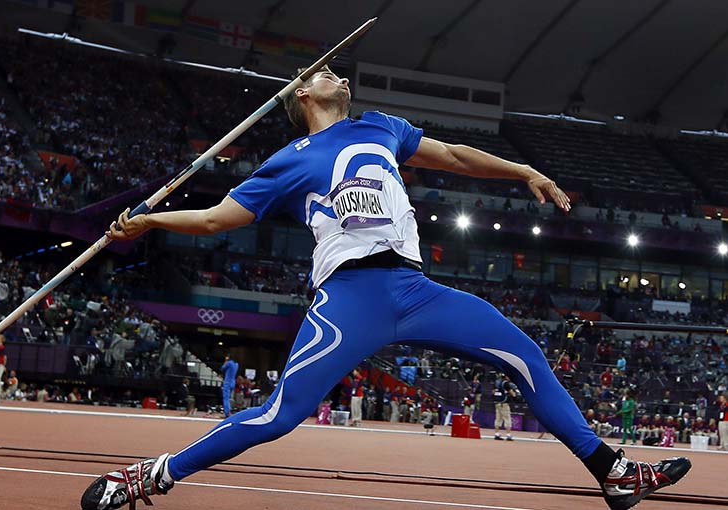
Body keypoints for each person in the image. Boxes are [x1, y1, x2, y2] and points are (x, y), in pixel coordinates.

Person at [83, 66, 690, 510]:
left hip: (417, 289)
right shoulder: (290, 159)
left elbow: (451, 154)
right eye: (320, 74)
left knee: (525, 357)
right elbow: (218, 218)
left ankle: (611, 472)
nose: (333, 73)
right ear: (302, 95)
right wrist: (148, 219)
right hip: (349, 299)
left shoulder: (381, 126)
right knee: (280, 414)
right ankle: (148, 475)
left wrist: (522, 168)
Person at [493, 374, 516, 441]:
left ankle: (496, 434)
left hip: (497, 403)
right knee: (507, 418)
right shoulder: (505, 383)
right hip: (504, 404)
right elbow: (512, 394)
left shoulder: (497, 382)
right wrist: (514, 394)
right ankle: (508, 435)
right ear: (506, 376)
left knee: (498, 418)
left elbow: (493, 391)